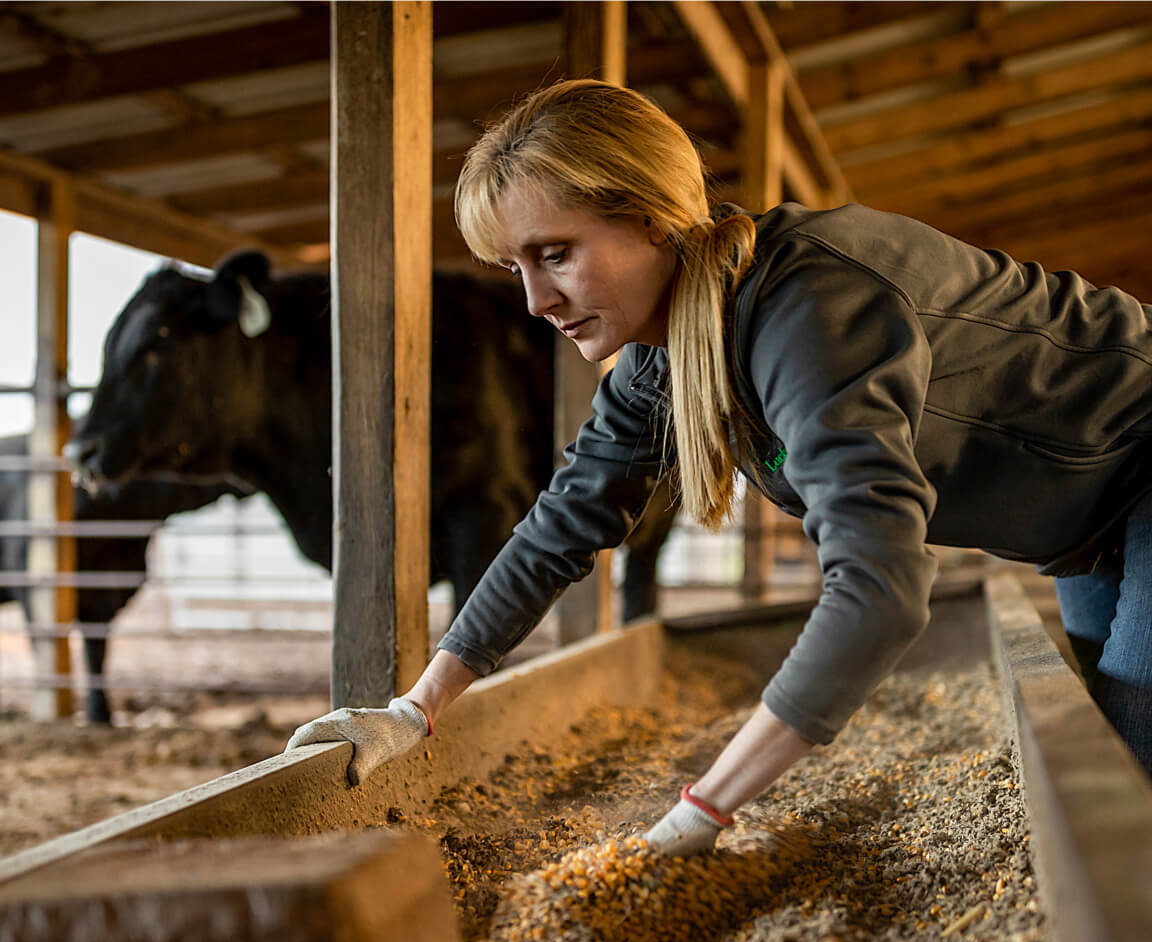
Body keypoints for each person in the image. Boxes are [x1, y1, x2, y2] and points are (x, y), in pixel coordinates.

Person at [287, 79, 1152, 854]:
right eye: (514, 266)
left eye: (555, 253)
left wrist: (703, 809)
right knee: (1112, 751)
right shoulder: (661, 360)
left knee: (1125, 758)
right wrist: (415, 710)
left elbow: (881, 586)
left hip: (1141, 461)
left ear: (652, 215)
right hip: (1086, 524)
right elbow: (561, 525)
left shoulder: (808, 310)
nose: (535, 301)